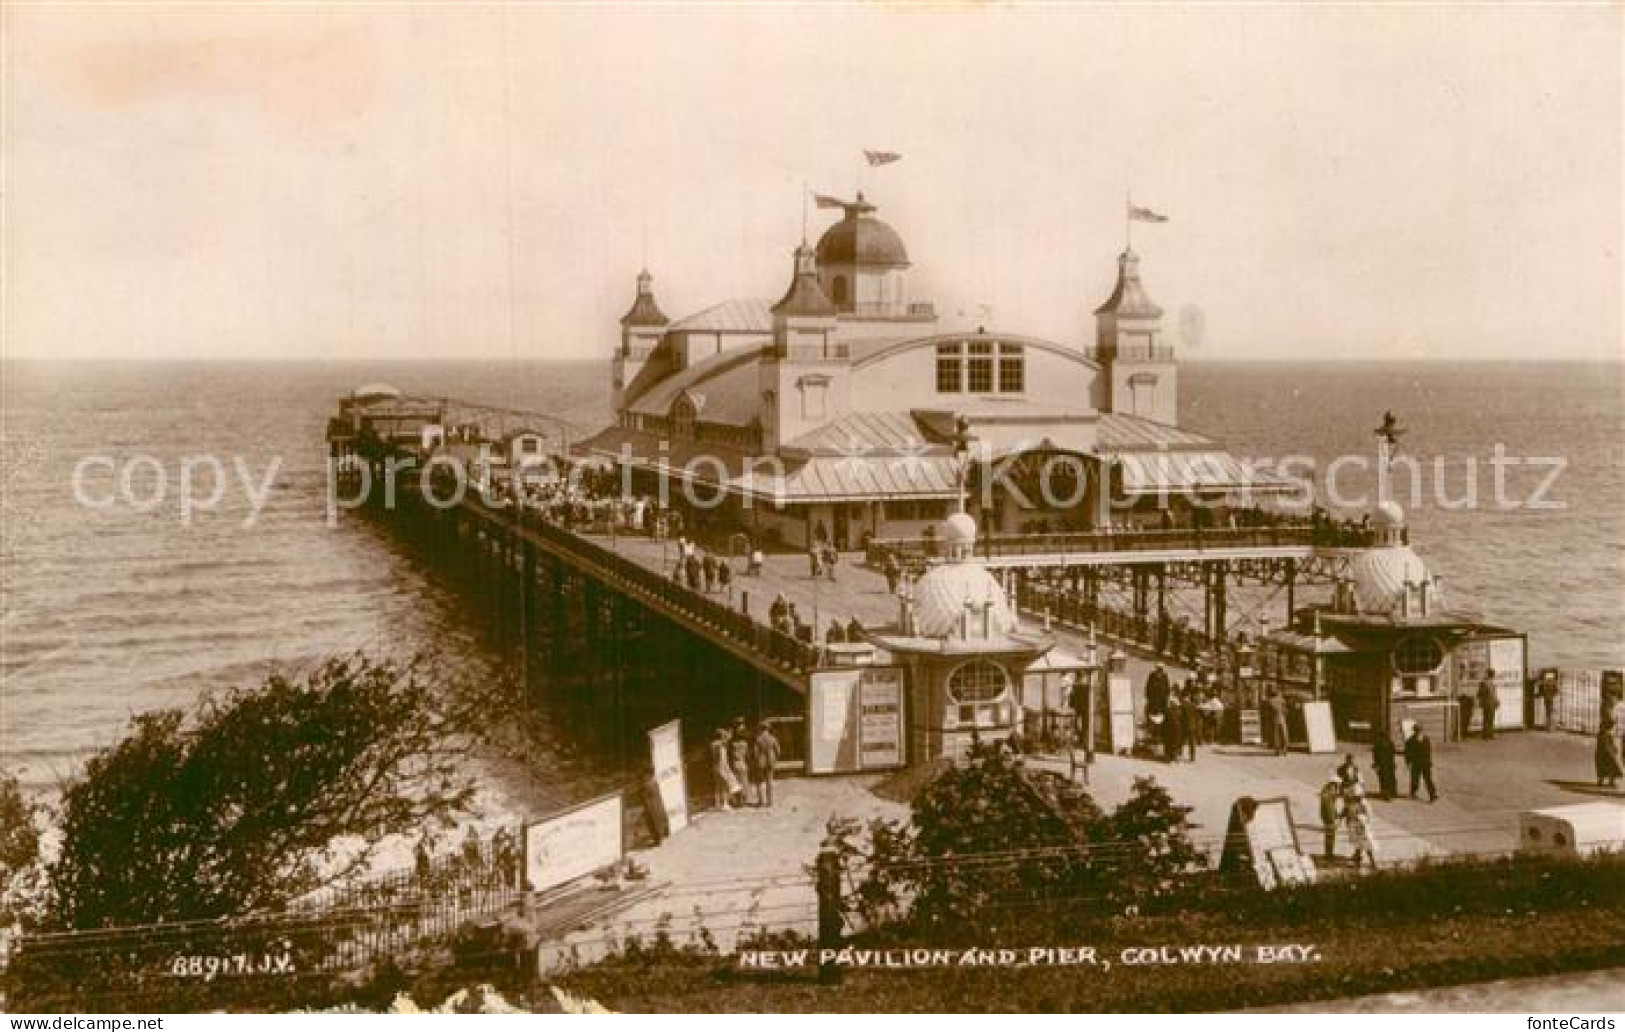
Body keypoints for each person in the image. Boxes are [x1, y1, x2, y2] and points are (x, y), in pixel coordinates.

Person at [1344, 793, 1380, 870]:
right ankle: (1357, 859)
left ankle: (1373, 863)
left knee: (1366, 845)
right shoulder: (1353, 803)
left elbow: (1368, 816)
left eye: (1357, 797)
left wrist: (1360, 818)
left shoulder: (1364, 804)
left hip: (1363, 827)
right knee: (1359, 844)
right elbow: (1350, 814)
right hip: (1357, 827)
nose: (1356, 798)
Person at [1404, 725, 1438, 802]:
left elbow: (1407, 753)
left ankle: (1431, 795)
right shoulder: (1424, 739)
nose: (1418, 732)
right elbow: (1408, 752)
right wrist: (1408, 761)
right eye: (1417, 731)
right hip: (1421, 762)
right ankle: (1430, 794)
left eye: (1418, 731)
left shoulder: (1411, 740)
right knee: (1422, 778)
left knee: (1420, 778)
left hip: (1419, 762)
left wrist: (1408, 761)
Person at [752, 723, 781, 807]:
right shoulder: (773, 738)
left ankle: (761, 801)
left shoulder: (758, 739)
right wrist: (775, 758)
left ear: (761, 729)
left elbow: (755, 753)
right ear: (768, 729)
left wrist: (756, 761)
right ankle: (770, 802)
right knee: (769, 782)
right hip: (771, 761)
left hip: (761, 762)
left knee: (760, 782)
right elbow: (778, 751)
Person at [711, 728, 740, 810]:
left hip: (716, 766)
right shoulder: (719, 744)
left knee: (718, 786)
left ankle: (718, 804)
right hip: (722, 767)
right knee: (724, 786)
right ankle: (724, 804)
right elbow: (726, 740)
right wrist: (729, 734)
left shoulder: (714, 744)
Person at [1318, 774, 1343, 862]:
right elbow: (1329, 807)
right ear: (1333, 784)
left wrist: (1336, 814)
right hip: (1329, 816)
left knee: (1330, 836)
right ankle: (1329, 855)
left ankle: (1329, 853)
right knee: (1330, 836)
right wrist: (1333, 819)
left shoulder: (1327, 791)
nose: (1338, 787)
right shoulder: (1328, 793)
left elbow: (1332, 805)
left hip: (1328, 815)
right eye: (1337, 785)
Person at [1596, 714, 1623, 789]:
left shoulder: (1601, 734)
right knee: (1612, 767)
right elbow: (1608, 744)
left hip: (1600, 754)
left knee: (1602, 768)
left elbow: (1605, 744)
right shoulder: (1607, 734)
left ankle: (1601, 781)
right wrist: (1613, 750)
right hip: (1607, 754)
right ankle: (1610, 781)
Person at [730, 720, 754, 806]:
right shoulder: (745, 744)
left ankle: (738, 800)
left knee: (736, 782)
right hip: (743, 763)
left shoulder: (733, 744)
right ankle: (743, 799)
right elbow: (748, 755)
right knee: (744, 781)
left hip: (735, 763)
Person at [1372, 730, 1399, 801]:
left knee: (1383, 780)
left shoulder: (1378, 744)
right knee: (1390, 778)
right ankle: (1392, 793)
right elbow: (1392, 754)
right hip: (1389, 764)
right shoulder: (1390, 743)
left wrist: (1376, 764)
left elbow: (1376, 756)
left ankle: (1387, 794)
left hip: (1382, 764)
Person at [1478, 672, 1499, 740]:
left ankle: (1487, 734)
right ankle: (1488, 734)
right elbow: (1491, 694)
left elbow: (1479, 694)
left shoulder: (1485, 683)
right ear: (1492, 675)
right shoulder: (1487, 683)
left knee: (1487, 718)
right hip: (1489, 703)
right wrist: (1496, 701)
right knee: (1489, 718)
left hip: (1487, 703)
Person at [1181, 690, 1201, 759]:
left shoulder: (1182, 705)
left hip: (1184, 725)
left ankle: (1178, 753)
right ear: (1188, 697)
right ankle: (1192, 756)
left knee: (1181, 740)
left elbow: (1181, 716)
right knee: (1192, 742)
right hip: (1192, 725)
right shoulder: (1193, 705)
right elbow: (1197, 716)